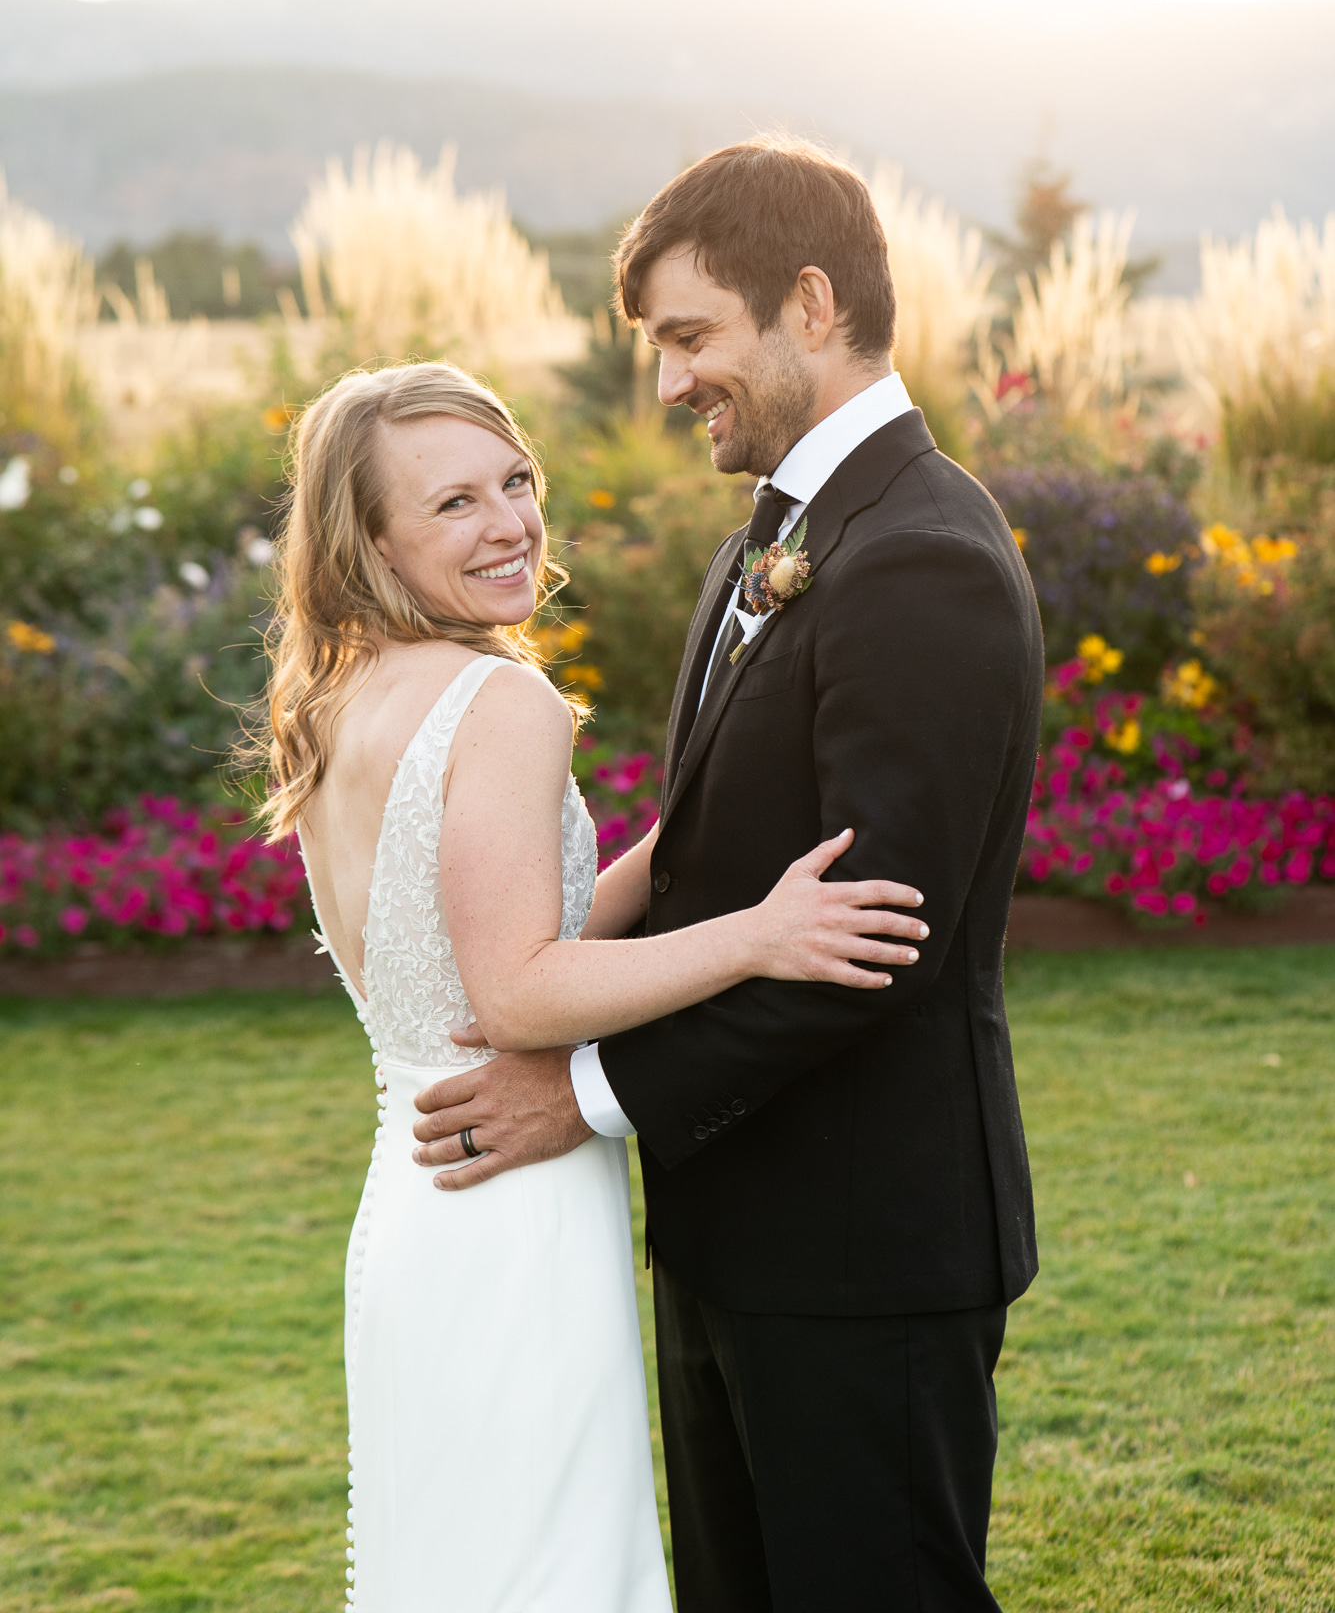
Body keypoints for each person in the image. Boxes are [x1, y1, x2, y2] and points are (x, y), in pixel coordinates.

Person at [413, 137, 1045, 1612]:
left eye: (689, 337)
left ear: (808, 304)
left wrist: (573, 1095)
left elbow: (870, 944)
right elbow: (713, 863)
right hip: (727, 1223)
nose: (665, 381)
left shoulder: (921, 556)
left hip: (861, 1243)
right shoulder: (768, 541)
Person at [261, 359, 929, 1612]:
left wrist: (682, 850)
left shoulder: (342, 701)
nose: (510, 522)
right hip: (513, 1210)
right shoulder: (498, 699)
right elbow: (514, 988)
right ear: (371, 540)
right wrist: (759, 934)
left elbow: (485, 928)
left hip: (416, 1200)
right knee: (557, 1569)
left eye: (515, 481)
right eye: (453, 503)